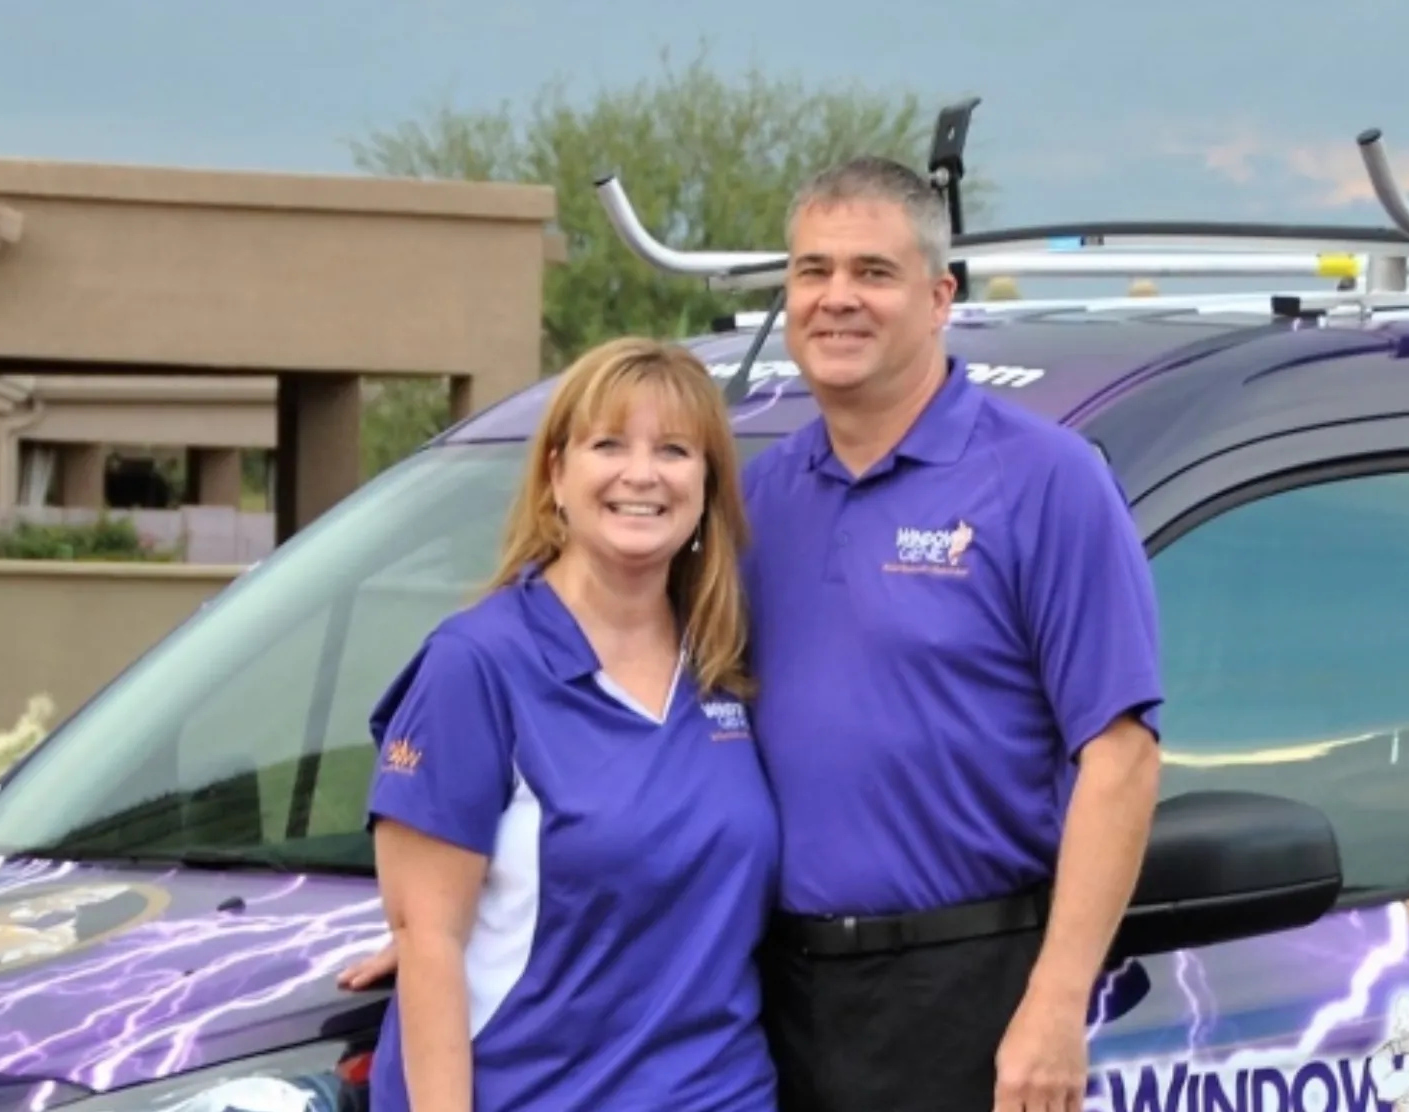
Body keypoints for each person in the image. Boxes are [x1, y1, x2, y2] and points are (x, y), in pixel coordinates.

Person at [741, 157, 1166, 1112]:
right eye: (813, 271)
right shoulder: (754, 499)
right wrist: (473, 892)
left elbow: (1122, 759)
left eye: (872, 273)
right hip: (773, 1001)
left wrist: (1056, 1003)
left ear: (939, 299)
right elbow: (633, 710)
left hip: (970, 988)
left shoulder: (1045, 480)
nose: (836, 298)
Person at [356, 335, 779, 1112]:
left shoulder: (727, 657)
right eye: (608, 444)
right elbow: (429, 942)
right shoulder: (477, 664)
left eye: (676, 450)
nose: (642, 474)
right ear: (556, 474)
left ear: (707, 486)